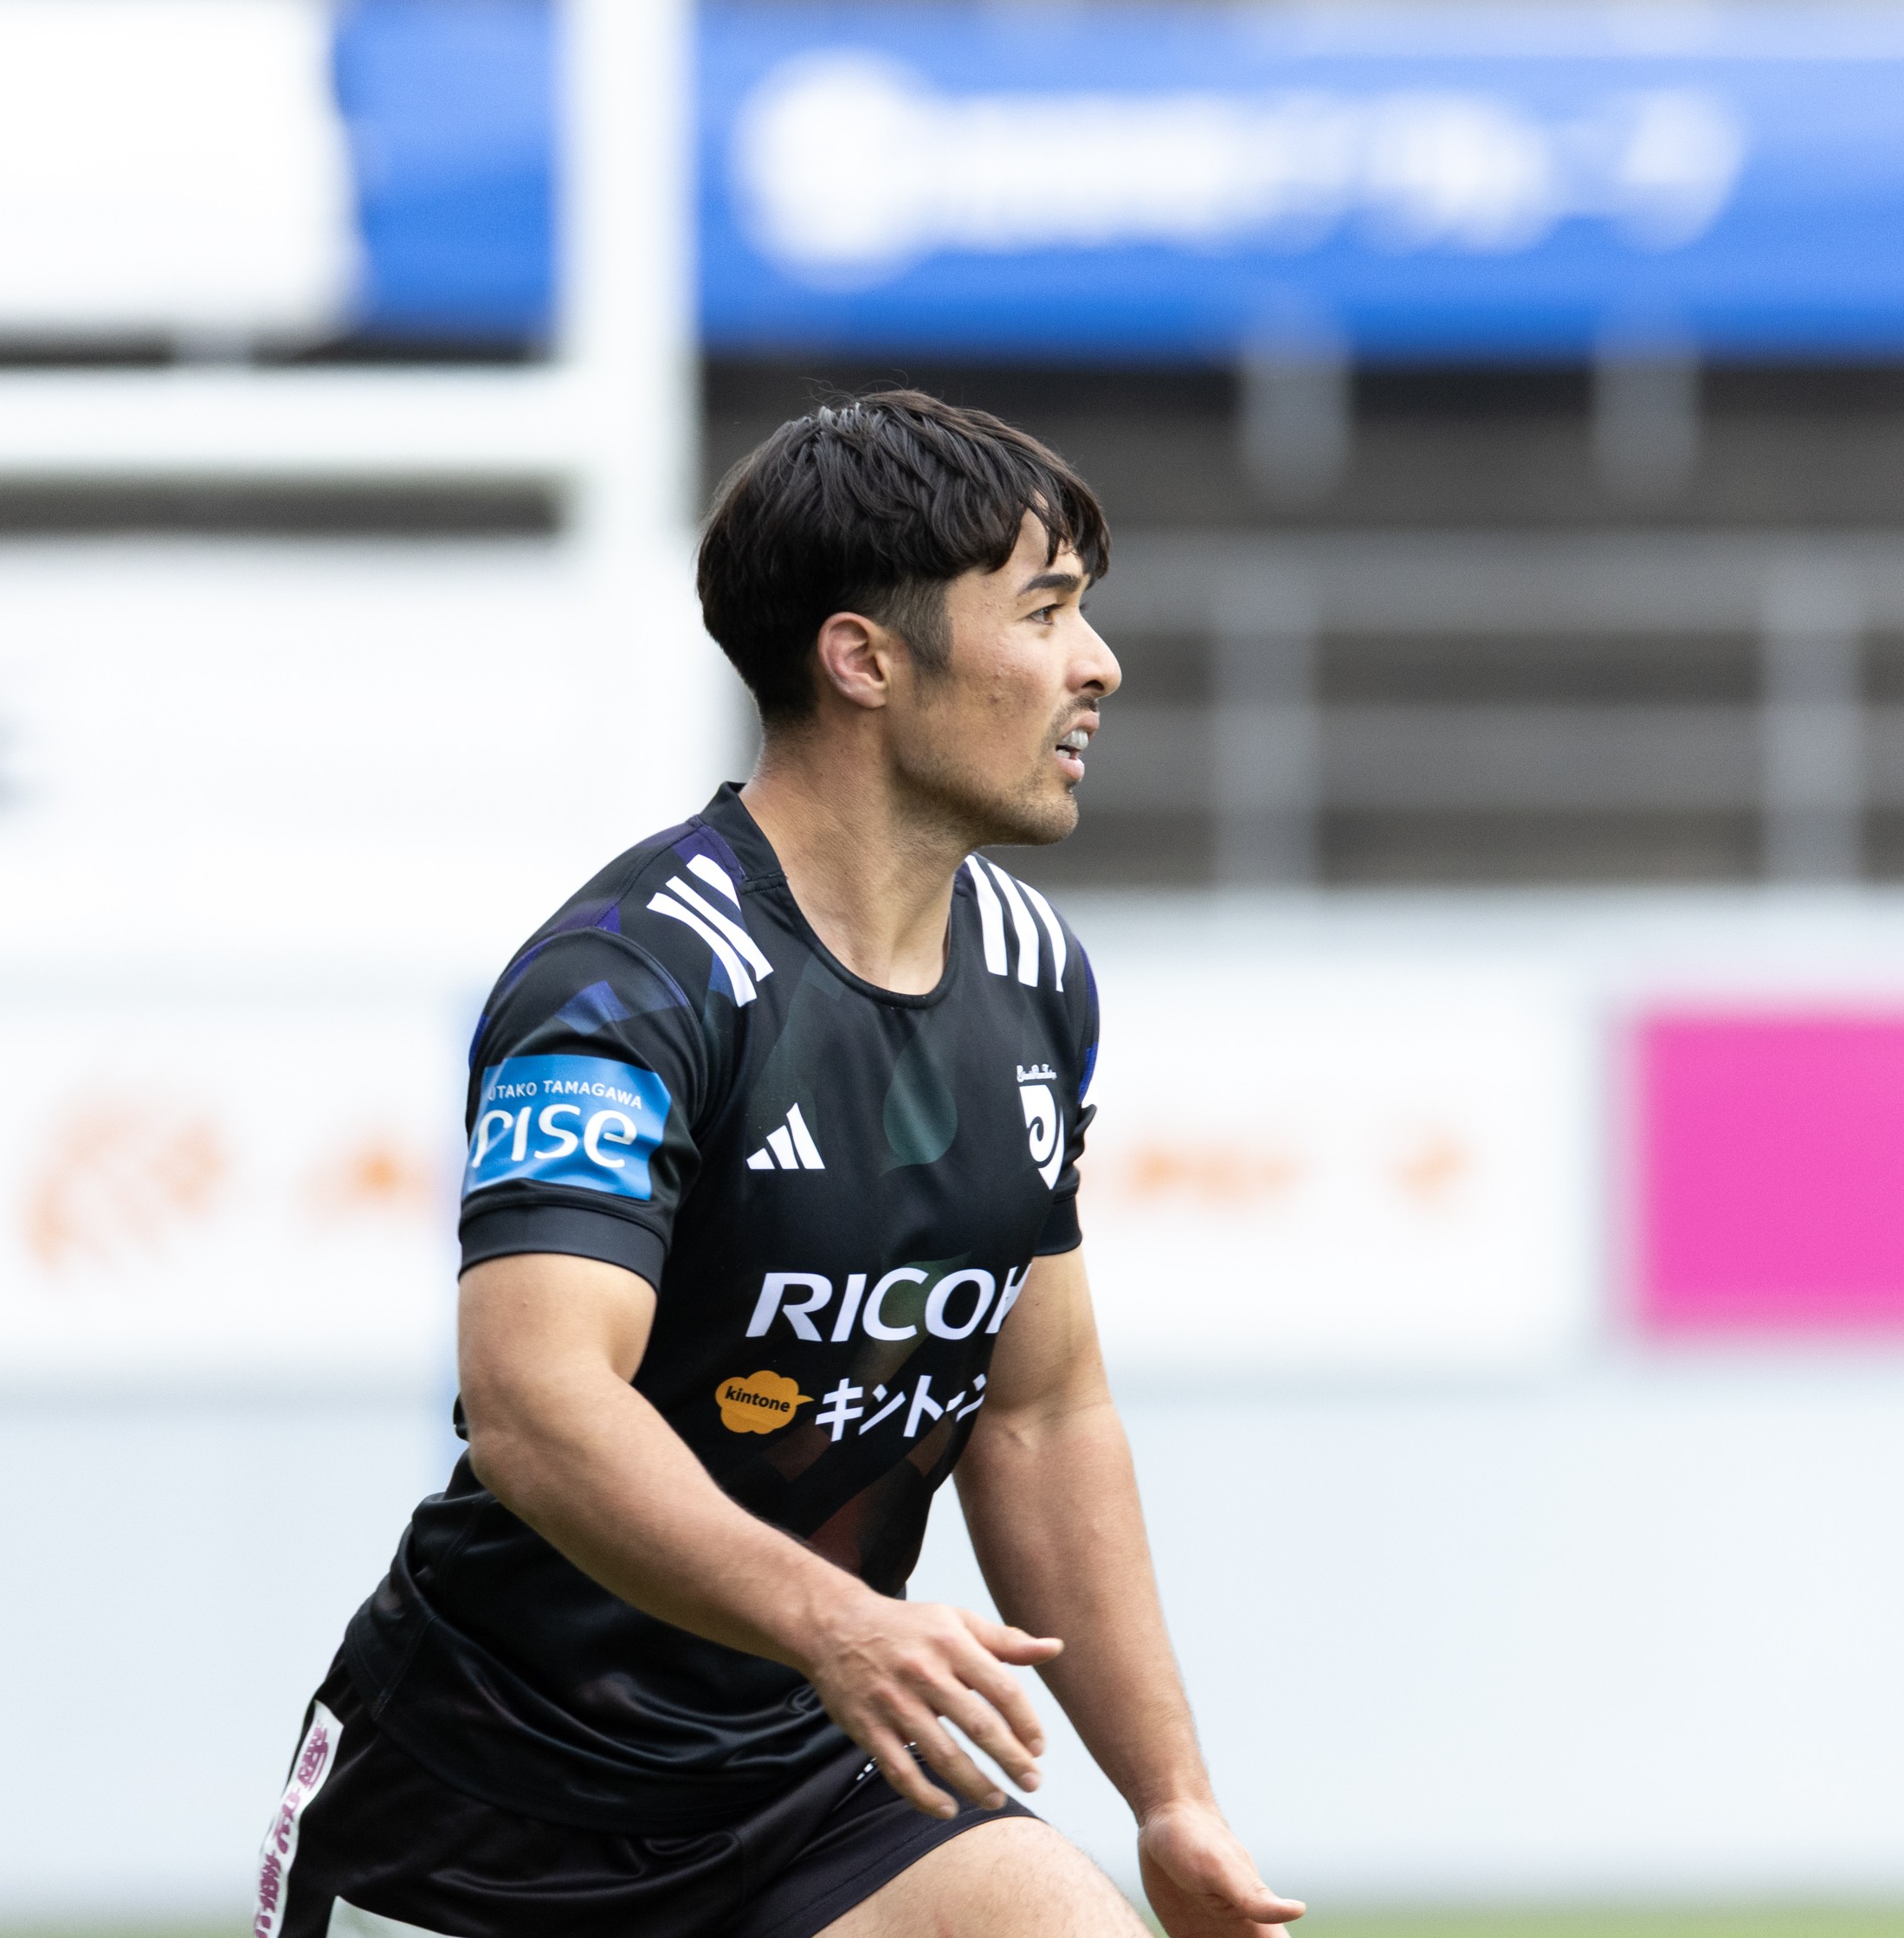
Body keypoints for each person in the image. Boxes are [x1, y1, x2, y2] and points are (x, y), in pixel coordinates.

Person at [254, 392, 1301, 1938]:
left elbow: (1038, 1409)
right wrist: (837, 1623)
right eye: (1044, 612)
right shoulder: (627, 983)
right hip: (489, 1810)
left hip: (815, 1773)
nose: (1097, 663)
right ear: (862, 659)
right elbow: (537, 1404)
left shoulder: (1032, 974)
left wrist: (1168, 1795)